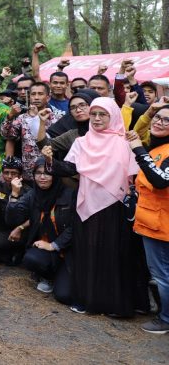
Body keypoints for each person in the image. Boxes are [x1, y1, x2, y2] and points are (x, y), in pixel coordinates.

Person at [46, 97, 150, 316]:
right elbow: (69, 168)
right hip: (88, 205)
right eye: (93, 114)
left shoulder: (125, 142)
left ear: (113, 116)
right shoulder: (82, 142)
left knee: (115, 253)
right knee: (89, 252)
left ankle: (115, 304)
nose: (97, 118)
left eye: (103, 114)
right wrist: (49, 162)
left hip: (117, 206)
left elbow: (137, 175)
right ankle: (88, 299)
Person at [6, 157, 76, 302]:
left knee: (64, 296)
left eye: (47, 173)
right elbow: (13, 219)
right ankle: (48, 276)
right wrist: (14, 195)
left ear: (56, 175)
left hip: (68, 250)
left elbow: (75, 227)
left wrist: (53, 245)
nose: (42, 177)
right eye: (38, 173)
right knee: (31, 259)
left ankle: (64, 275)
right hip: (45, 249)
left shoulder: (70, 195)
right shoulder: (33, 194)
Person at [127, 105, 169, 333]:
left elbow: (161, 181)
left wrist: (139, 151)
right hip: (151, 222)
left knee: (163, 275)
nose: (160, 122)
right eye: (158, 117)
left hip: (162, 226)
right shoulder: (158, 148)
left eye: (166, 120)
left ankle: (166, 319)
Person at [1, 82, 56, 180]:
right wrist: (10, 116)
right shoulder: (22, 118)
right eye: (33, 94)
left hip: (51, 170)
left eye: (40, 94)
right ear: (29, 97)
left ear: (48, 98)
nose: (36, 97)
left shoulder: (55, 118)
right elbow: (7, 134)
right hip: (29, 172)